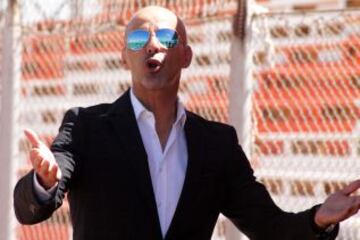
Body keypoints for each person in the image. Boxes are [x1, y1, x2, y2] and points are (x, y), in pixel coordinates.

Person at [14, 6, 360, 240]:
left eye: (167, 38)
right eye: (138, 40)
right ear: (125, 57)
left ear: (186, 56)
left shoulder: (217, 144)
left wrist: (318, 219)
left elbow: (269, 227)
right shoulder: (86, 126)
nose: (152, 45)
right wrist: (44, 182)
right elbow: (28, 209)